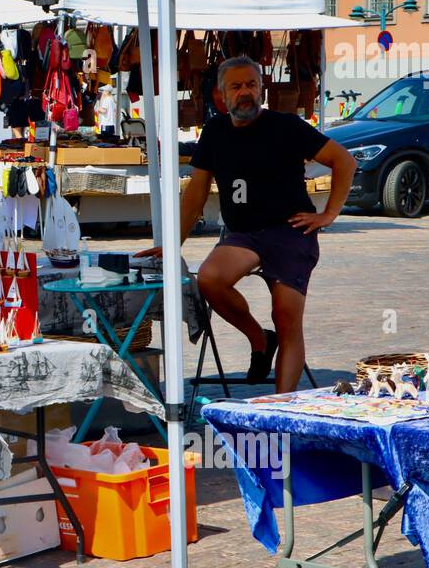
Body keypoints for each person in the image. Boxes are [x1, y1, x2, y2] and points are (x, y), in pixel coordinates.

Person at [137, 55, 356, 392]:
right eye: (236, 86)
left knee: (286, 320)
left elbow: (344, 161)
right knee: (210, 278)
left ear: (261, 89)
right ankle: (259, 339)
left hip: (290, 232)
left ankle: (281, 410)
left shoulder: (286, 125)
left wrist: (329, 214)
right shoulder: (215, 132)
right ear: (221, 96)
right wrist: (172, 243)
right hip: (243, 235)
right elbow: (195, 194)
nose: (245, 92)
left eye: (251, 85)